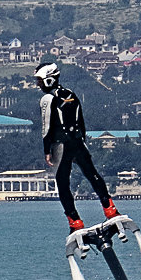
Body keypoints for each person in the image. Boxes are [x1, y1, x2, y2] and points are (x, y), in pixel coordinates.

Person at [34, 62, 119, 232]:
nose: (38, 84)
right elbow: (81, 120)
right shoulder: (71, 94)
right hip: (78, 141)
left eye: (40, 80)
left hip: (61, 145)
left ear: (49, 80)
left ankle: (75, 221)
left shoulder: (47, 98)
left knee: (63, 183)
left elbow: (46, 127)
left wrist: (47, 150)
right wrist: (82, 140)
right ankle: (110, 209)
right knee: (92, 174)